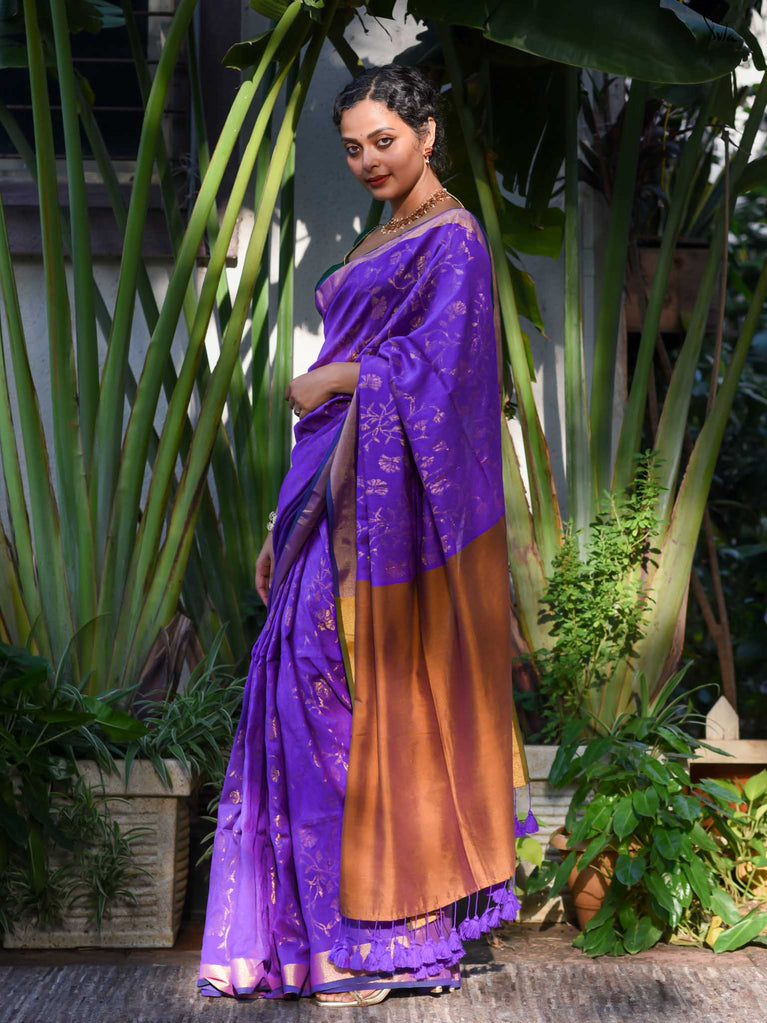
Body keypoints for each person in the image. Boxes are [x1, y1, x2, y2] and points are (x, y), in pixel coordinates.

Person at [198, 63, 533, 1007]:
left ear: (427, 134)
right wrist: (284, 520)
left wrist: (339, 378)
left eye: (383, 140)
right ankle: (317, 942)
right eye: (352, 148)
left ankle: (377, 936)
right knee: (298, 691)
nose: (368, 161)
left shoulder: (453, 240)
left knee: (340, 692)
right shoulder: (385, 234)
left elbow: (446, 376)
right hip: (323, 491)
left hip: (388, 515)